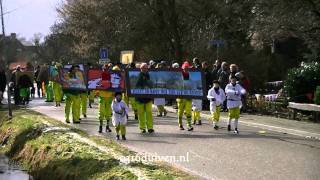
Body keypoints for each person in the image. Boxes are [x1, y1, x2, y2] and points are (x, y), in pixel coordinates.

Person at [135, 63, 154, 133]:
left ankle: (150, 127)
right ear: (140, 69)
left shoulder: (150, 75)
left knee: (149, 112)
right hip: (139, 98)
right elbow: (135, 85)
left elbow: (152, 84)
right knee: (141, 113)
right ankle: (142, 128)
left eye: (146, 68)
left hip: (148, 98)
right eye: (143, 68)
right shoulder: (137, 75)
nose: (144, 69)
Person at [176, 61, 194, 131]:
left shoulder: (191, 76)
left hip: (188, 97)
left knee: (189, 111)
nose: (186, 69)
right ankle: (180, 124)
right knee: (180, 111)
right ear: (182, 68)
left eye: (187, 68)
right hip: (180, 97)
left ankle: (189, 125)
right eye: (185, 68)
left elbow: (193, 85)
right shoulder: (179, 76)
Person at [97, 64, 113, 133]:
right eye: (104, 69)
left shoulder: (111, 76)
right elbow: (96, 85)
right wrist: (96, 91)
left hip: (109, 96)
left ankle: (107, 126)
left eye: (107, 69)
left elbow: (115, 86)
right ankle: (100, 126)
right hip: (102, 96)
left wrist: (114, 94)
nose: (105, 70)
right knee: (101, 112)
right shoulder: (100, 76)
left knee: (108, 112)